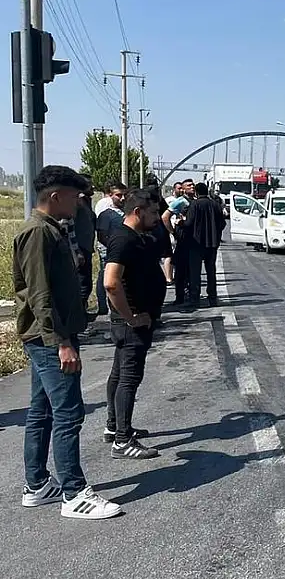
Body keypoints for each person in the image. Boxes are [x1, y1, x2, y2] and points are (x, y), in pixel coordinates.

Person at [15, 165, 122, 519]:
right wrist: (61, 341)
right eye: (75, 197)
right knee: (68, 413)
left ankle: (37, 484)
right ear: (55, 196)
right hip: (49, 338)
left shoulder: (51, 229)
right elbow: (39, 294)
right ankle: (74, 494)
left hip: (49, 334)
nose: (79, 204)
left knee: (42, 411)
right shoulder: (38, 234)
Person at [103, 189, 164, 460]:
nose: (156, 218)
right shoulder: (123, 239)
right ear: (137, 212)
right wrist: (131, 317)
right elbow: (110, 282)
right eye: (152, 213)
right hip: (131, 322)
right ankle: (122, 441)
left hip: (136, 319)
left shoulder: (133, 237)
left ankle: (114, 427)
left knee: (119, 374)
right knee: (129, 377)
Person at [182, 182, 226, 308]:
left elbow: (189, 223)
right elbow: (223, 224)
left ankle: (195, 298)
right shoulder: (216, 205)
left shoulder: (194, 205)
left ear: (196, 192)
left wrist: (180, 223)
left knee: (195, 272)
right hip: (212, 244)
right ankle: (212, 297)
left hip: (196, 243)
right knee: (211, 271)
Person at [94, 183, 126, 316]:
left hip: (124, 252)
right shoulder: (106, 215)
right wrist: (114, 248)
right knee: (107, 279)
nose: (123, 198)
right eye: (119, 195)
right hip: (108, 252)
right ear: (111, 196)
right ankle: (104, 307)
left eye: (125, 195)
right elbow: (101, 236)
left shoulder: (127, 212)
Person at [164, 178, 195, 306]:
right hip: (183, 239)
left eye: (193, 185)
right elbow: (165, 216)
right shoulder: (180, 202)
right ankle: (180, 296)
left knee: (191, 269)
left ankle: (190, 292)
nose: (192, 187)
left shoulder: (195, 201)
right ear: (183, 189)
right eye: (189, 185)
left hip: (193, 239)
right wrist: (173, 232)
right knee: (181, 268)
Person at [73, 186, 97, 319]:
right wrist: (76, 250)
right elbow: (70, 228)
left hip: (86, 248)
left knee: (86, 284)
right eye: (88, 184)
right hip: (80, 249)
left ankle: (83, 314)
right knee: (82, 284)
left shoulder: (86, 201)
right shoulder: (78, 202)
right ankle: (79, 317)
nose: (92, 187)